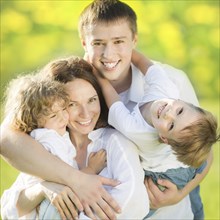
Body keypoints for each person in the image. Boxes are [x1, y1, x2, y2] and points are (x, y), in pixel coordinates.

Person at [0, 0, 212, 219]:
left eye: (119, 41)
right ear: (84, 43)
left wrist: (181, 193)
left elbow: (204, 152)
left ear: (134, 40)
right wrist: (74, 180)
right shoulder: (71, 82)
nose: (108, 54)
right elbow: (7, 139)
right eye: (98, 43)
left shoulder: (172, 82)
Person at [1, 57, 149, 220]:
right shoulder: (49, 142)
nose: (85, 114)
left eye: (92, 100)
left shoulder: (114, 143)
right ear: (54, 105)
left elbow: (131, 204)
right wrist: (43, 188)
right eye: (72, 104)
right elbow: (9, 209)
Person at [93, 50, 219, 216]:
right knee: (196, 167)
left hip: (167, 175)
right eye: (179, 111)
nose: (169, 113)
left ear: (163, 138)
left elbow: (111, 98)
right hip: (179, 159)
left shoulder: (135, 129)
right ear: (182, 101)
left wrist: (95, 70)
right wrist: (122, 51)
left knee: (144, 206)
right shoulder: (167, 87)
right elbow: (145, 63)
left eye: (171, 125)